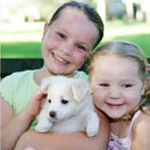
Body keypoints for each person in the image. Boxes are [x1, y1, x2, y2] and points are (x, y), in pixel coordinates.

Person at [1, 1, 109, 150]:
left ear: (89, 56)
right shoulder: (12, 85)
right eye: (61, 35)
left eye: (80, 47)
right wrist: (29, 113)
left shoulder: (89, 86)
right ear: (45, 31)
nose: (66, 50)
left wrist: (27, 140)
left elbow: (95, 145)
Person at [89, 40, 150, 150]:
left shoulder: (144, 123)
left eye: (127, 85)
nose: (115, 95)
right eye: (104, 84)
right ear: (90, 83)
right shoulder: (91, 111)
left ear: (143, 86)